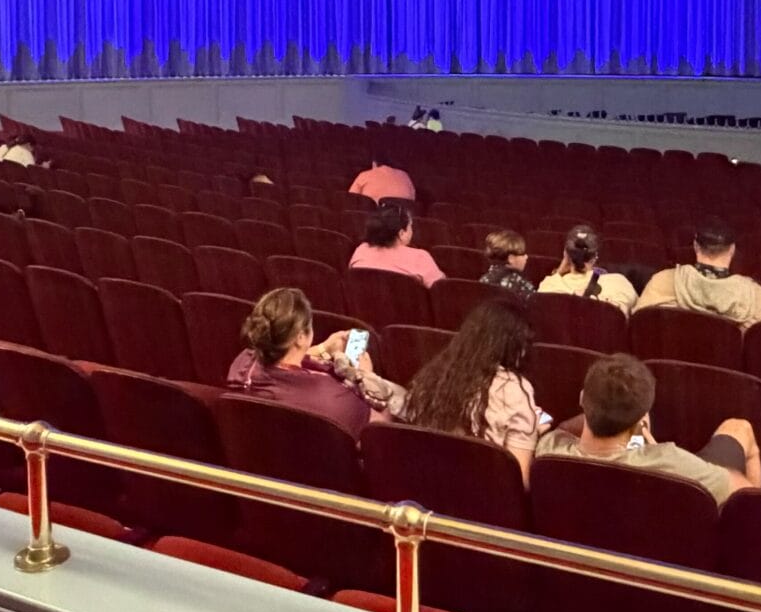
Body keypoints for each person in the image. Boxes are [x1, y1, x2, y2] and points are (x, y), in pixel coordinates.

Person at [533, 354, 761, 505]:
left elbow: (564, 430)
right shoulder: (672, 463)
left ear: (582, 399)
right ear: (639, 422)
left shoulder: (547, 450)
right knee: (740, 428)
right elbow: (746, 497)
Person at [224, 288, 401, 438]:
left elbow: (279, 357)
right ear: (300, 337)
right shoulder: (334, 399)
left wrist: (323, 349)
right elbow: (380, 428)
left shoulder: (242, 363)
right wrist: (366, 376)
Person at [401, 299, 545, 478]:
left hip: (425, 487)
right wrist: (532, 433)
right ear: (516, 346)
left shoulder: (432, 376)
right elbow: (519, 480)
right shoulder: (514, 389)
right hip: (483, 497)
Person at [636, 218, 761, 328]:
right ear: (732, 249)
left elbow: (638, 323)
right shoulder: (755, 296)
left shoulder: (663, 281)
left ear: (696, 246)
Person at [536, 224, 638, 312]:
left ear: (566, 254)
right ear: (594, 257)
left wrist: (559, 271)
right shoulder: (619, 283)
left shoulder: (548, 287)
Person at [349, 200, 444, 287]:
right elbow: (440, 290)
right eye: (410, 226)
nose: (412, 230)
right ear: (401, 233)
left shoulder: (361, 250)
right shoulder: (420, 257)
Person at [479, 229, 536, 296]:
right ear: (511, 259)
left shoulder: (484, 279)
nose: (526, 257)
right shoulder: (520, 284)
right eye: (522, 254)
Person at [348, 157, 416, 204]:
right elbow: (413, 200)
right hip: (405, 222)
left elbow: (351, 200)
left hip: (370, 222)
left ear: (374, 164)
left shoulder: (364, 175)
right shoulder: (405, 176)